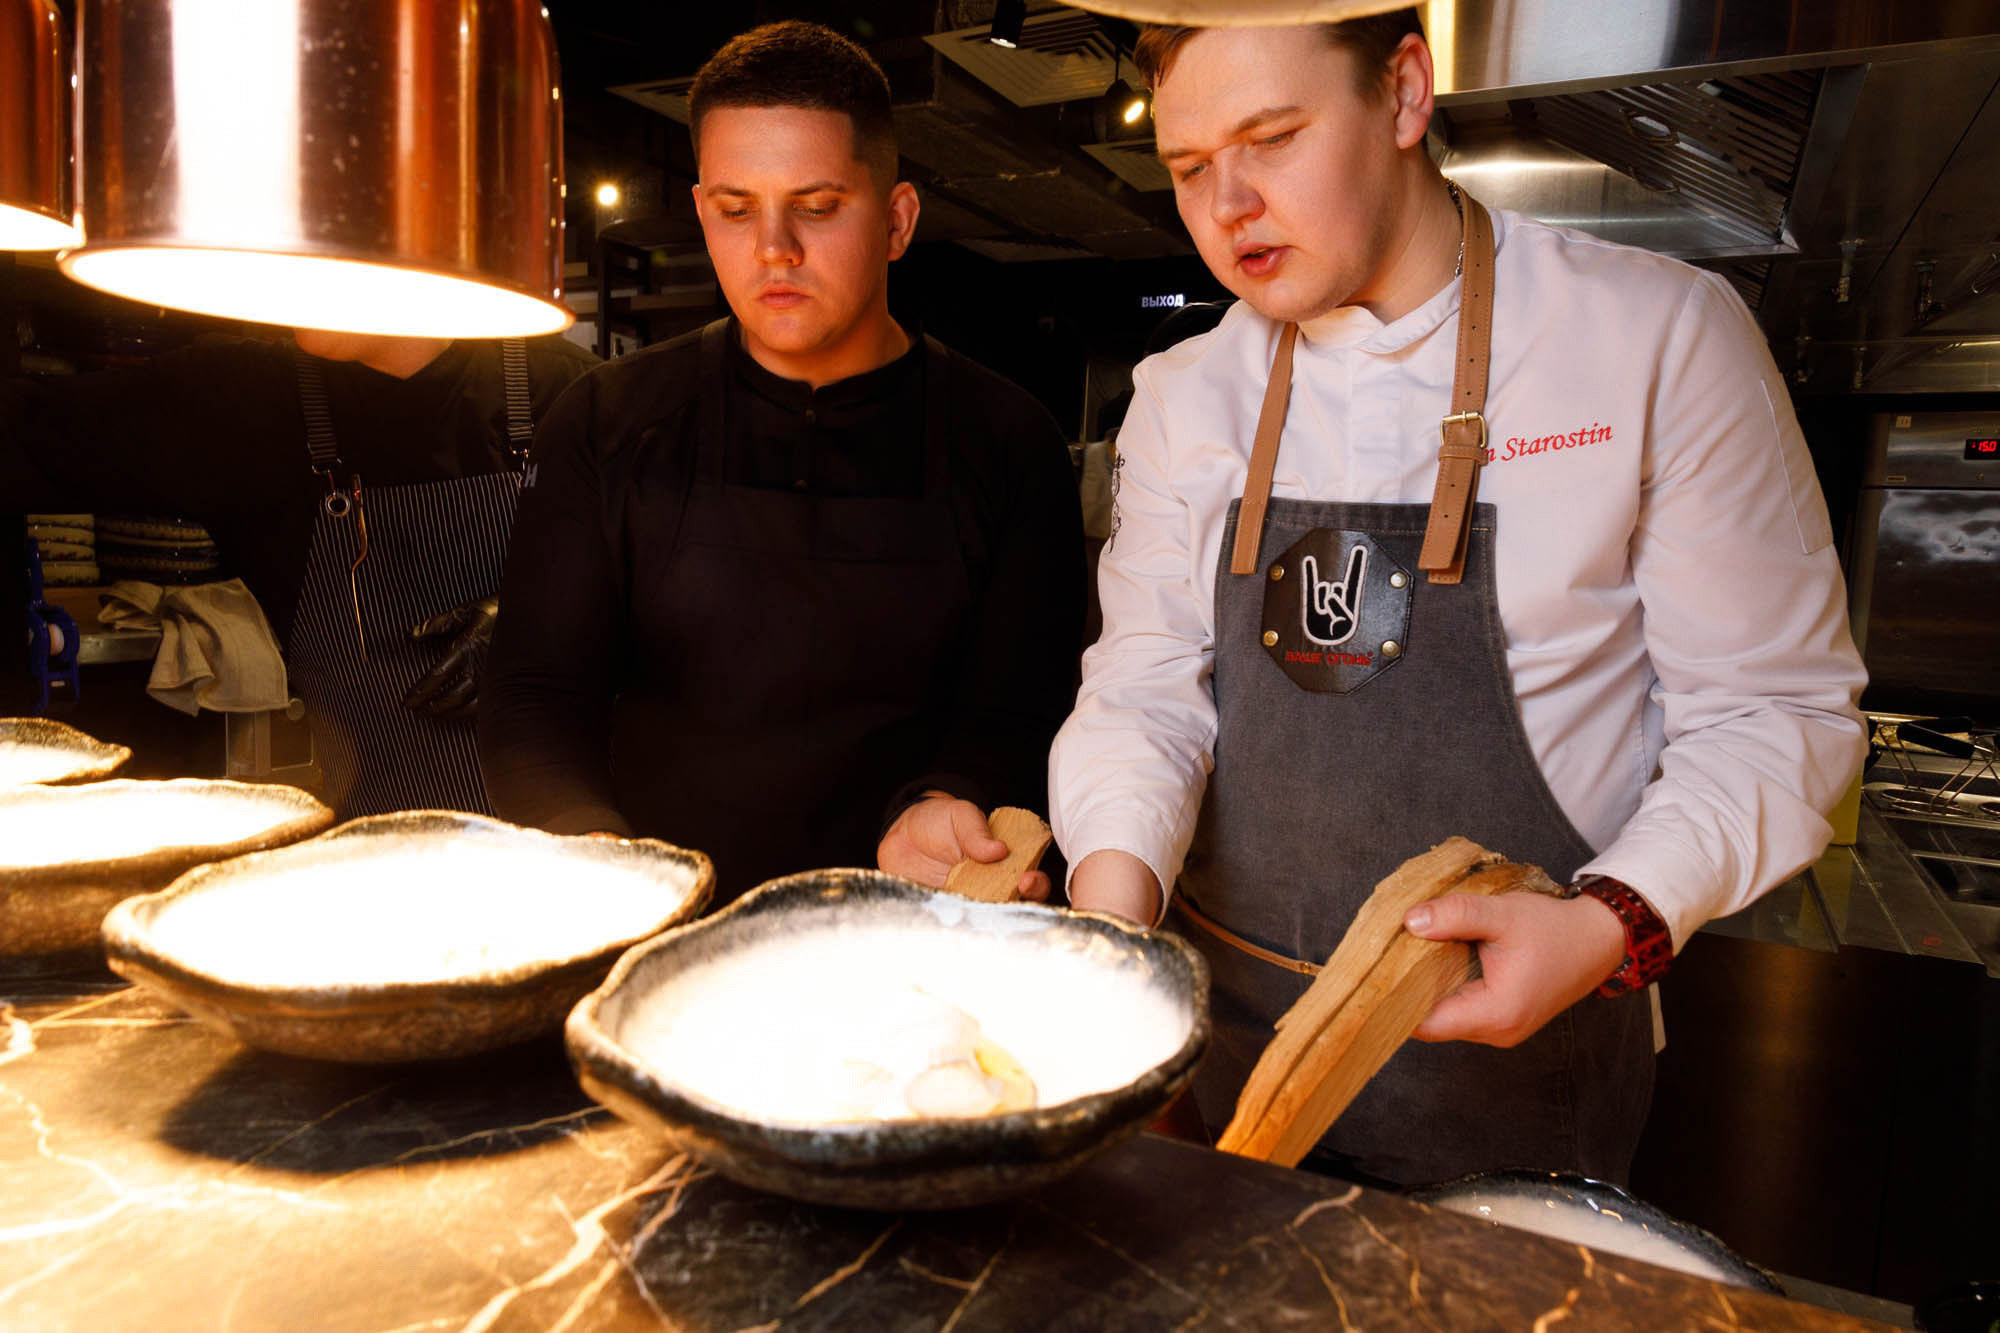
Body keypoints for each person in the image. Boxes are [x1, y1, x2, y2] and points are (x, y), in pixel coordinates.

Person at [1047, 13, 1868, 1188]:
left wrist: (1606, 922)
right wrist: (1110, 913)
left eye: (1271, 139)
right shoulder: (1186, 392)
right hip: (1218, 1059)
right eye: (1186, 167)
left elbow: (1773, 712)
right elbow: (1142, 689)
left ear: (1403, 93)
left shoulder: (1654, 340)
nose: (1224, 205)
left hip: (1519, 1068)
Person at [479, 22, 1084, 902]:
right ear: (701, 212)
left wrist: (957, 802)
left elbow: (1020, 711)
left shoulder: (1009, 442)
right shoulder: (607, 422)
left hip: (909, 938)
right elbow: (536, 696)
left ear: (897, 221)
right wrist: (591, 859)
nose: (774, 248)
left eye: (818, 204)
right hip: (659, 934)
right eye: (736, 209)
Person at [0, 328, 597, 815]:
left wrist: (549, 625)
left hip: (591, 851)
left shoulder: (575, 390)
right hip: (381, 860)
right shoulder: (236, 403)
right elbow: (23, 435)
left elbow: (675, 607)